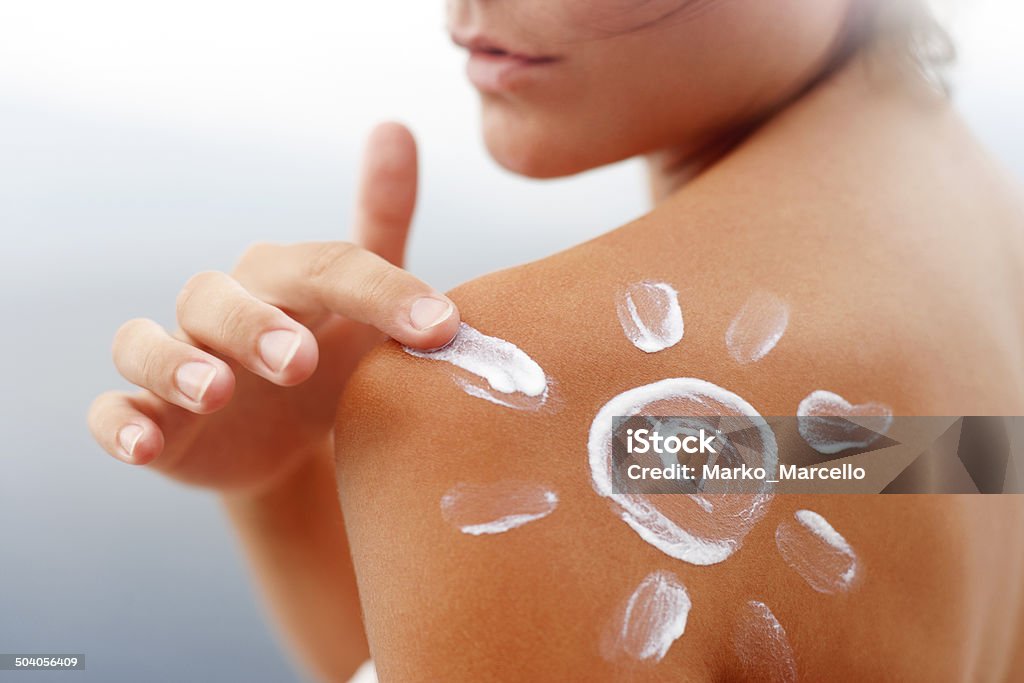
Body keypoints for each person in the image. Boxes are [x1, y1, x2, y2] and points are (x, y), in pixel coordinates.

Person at [89, 0, 1024, 680]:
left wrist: (425, 441)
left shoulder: (494, 404)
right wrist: (289, 478)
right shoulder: (977, 219)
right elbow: (846, 465)